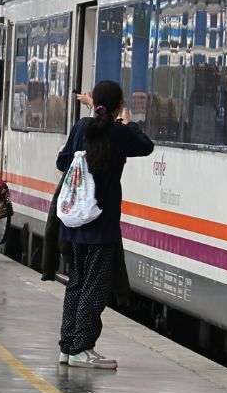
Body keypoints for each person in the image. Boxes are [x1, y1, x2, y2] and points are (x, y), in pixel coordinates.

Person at [55, 81, 153, 369]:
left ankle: (67, 346)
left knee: (75, 282)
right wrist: (127, 121)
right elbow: (146, 146)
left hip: (75, 222)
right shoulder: (120, 133)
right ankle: (82, 347)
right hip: (102, 223)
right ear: (119, 104)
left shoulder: (81, 127)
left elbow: (62, 161)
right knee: (95, 286)